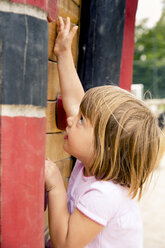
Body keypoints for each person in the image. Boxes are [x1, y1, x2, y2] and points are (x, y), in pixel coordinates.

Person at [45, 17, 160, 248]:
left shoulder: (104, 194)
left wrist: (56, 185)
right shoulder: (93, 160)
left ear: (104, 145)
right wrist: (64, 54)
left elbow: (66, 243)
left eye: (80, 121)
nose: (70, 118)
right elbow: (77, 102)